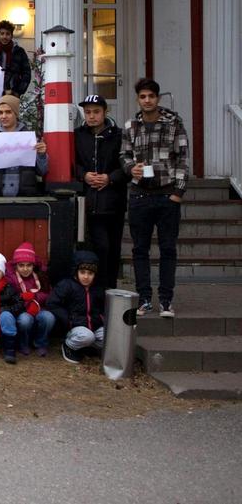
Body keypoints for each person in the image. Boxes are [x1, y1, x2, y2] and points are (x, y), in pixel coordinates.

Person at [120, 78, 189, 318]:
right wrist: (131, 169)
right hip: (139, 195)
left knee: (168, 249)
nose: (147, 100)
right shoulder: (131, 125)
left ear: (157, 98)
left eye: (151, 96)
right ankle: (145, 299)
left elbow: (182, 158)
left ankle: (166, 300)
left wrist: (178, 193)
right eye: (142, 97)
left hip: (166, 195)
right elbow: (124, 155)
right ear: (138, 99)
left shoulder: (173, 123)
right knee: (140, 249)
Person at [74, 94, 128, 291]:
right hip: (90, 202)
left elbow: (127, 165)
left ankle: (110, 291)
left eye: (96, 111)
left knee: (113, 250)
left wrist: (110, 178)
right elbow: (73, 163)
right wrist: (84, 175)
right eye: (88, 112)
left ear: (105, 112)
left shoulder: (119, 135)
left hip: (113, 201)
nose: (91, 116)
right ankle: (96, 291)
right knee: (99, 247)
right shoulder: (78, 135)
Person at [0, 95, 48, 196]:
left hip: (25, 198)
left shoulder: (28, 138)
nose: (3, 116)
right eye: (0, 113)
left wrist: (41, 155)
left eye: (8, 112)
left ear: (16, 114)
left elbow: (42, 171)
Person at [47, 250, 105, 364]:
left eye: (90, 273)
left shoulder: (97, 288)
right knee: (87, 336)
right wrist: (68, 319)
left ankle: (86, 347)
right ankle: (69, 346)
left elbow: (104, 306)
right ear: (76, 271)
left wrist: (102, 318)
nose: (86, 276)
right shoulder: (67, 285)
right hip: (75, 326)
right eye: (82, 272)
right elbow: (52, 303)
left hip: (94, 325)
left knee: (109, 337)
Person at [5, 242, 54, 357]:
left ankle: (41, 343)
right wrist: (23, 299)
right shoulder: (11, 278)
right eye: (21, 265)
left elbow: (49, 293)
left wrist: (35, 297)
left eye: (29, 265)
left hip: (39, 307)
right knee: (24, 320)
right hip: (21, 309)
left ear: (33, 265)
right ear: (16, 266)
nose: (25, 269)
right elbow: (8, 297)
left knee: (49, 317)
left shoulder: (40, 276)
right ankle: (23, 343)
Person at [0, 20, 32, 97]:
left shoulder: (19, 52)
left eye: (7, 34)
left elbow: (26, 73)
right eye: (2, 34)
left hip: (12, 93)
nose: (4, 37)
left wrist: (18, 91)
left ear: (11, 35)